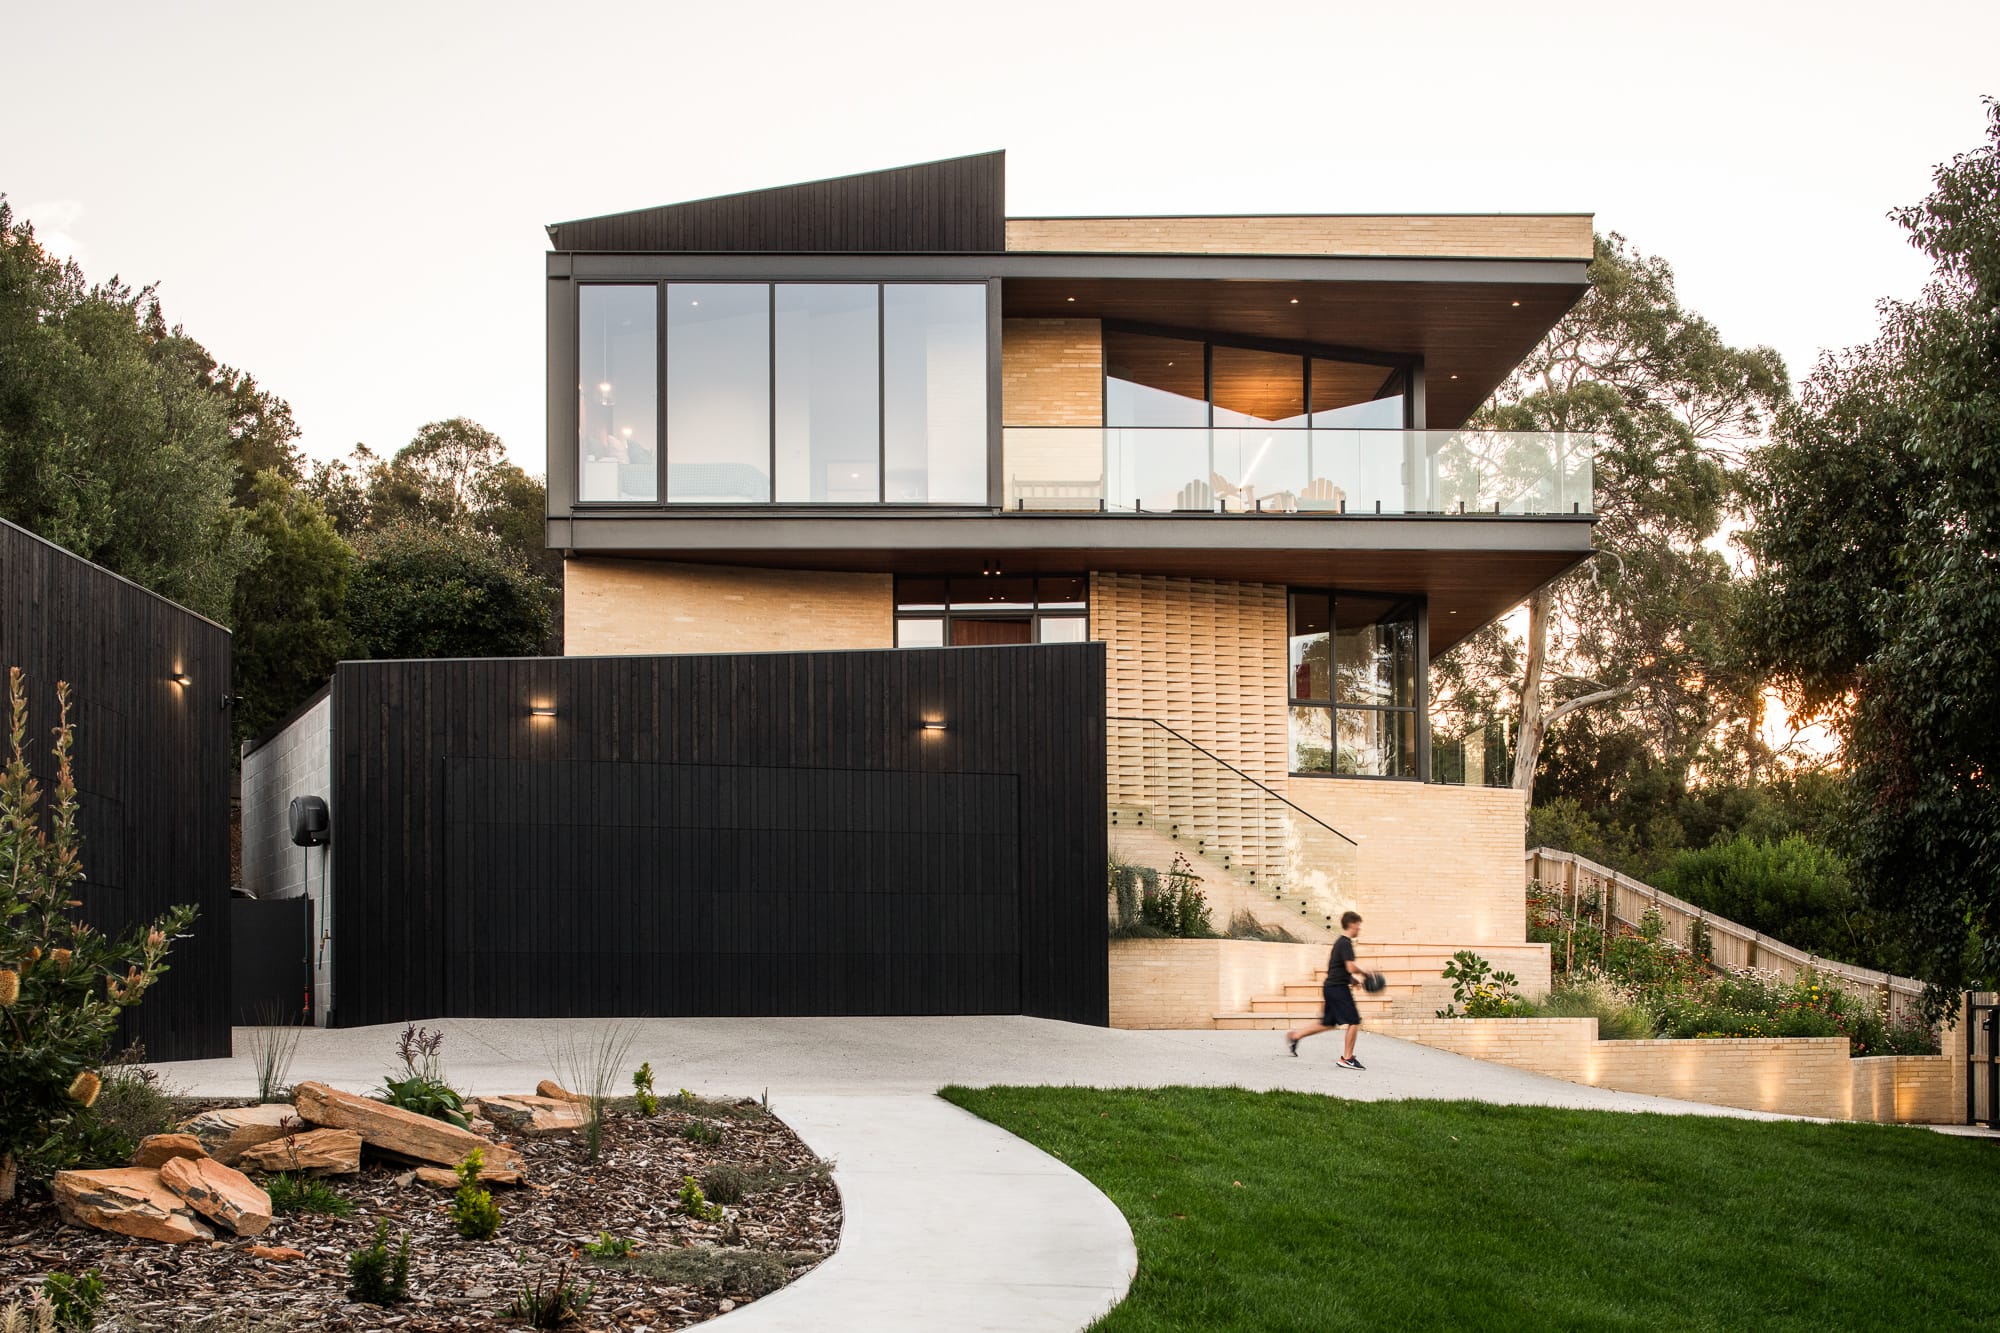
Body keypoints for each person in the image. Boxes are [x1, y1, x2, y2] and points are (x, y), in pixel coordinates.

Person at [1285, 911, 1373, 1069]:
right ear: (1352, 924)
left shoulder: (1339, 943)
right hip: (1337, 989)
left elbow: (1336, 968)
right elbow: (1349, 966)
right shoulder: (1345, 943)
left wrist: (1351, 980)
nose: (1359, 929)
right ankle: (1347, 1058)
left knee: (1327, 1023)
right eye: (1358, 925)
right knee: (1354, 1020)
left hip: (1331, 987)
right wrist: (1366, 972)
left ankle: (1295, 1036)